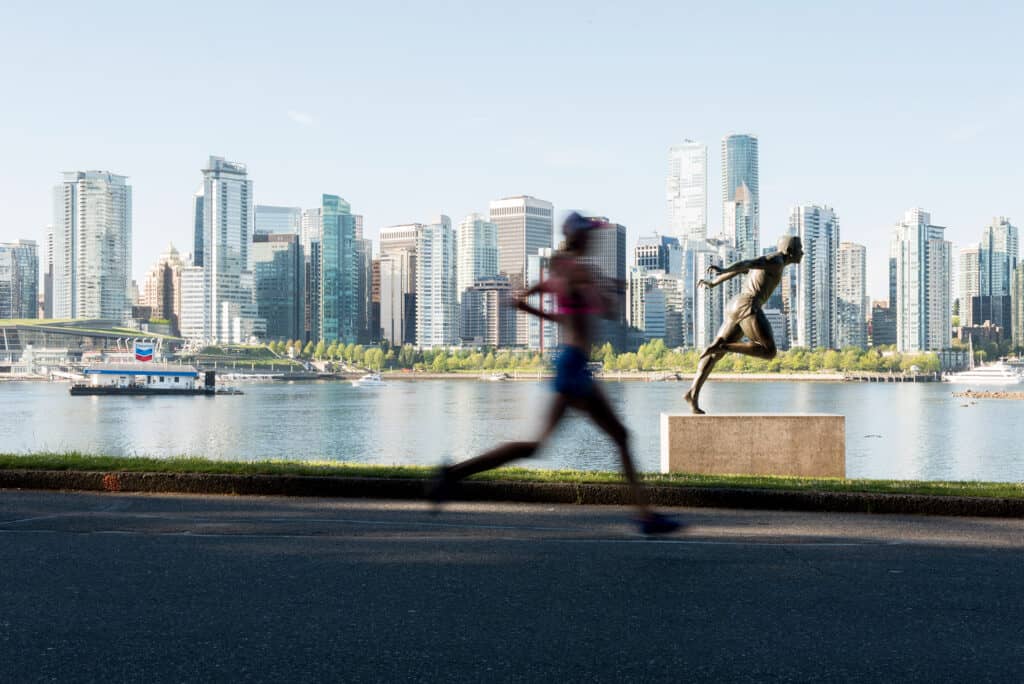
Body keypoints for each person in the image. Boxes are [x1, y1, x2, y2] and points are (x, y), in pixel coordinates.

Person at [429, 212, 681, 534]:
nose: (593, 238)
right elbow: (608, 310)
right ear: (579, 237)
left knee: (543, 445)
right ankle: (646, 517)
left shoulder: (562, 270)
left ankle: (452, 474)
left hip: (570, 362)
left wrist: (542, 310)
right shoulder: (578, 271)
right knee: (615, 437)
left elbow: (533, 302)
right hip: (574, 365)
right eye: (589, 234)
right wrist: (612, 290)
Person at [684, 235, 804, 414]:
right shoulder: (776, 260)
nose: (802, 252)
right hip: (748, 305)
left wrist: (714, 282)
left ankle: (692, 394)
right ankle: (723, 346)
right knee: (769, 351)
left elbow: (742, 269)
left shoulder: (774, 262)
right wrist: (723, 269)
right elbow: (746, 263)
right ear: (789, 251)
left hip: (735, 304)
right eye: (800, 248)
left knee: (714, 356)